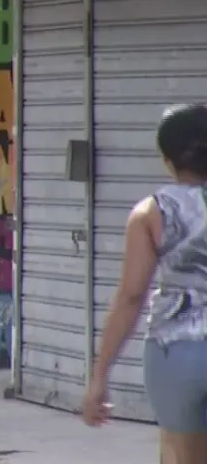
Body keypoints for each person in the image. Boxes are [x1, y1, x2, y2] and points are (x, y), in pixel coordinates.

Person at [82, 103, 207, 462]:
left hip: (175, 351)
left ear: (167, 159)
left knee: (177, 452)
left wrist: (100, 376)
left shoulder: (151, 212)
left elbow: (131, 296)